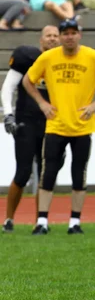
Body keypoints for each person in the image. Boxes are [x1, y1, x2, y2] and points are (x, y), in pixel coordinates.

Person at [22, 18, 95, 235]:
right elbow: (27, 80)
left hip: (82, 126)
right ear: (59, 36)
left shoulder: (92, 56)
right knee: (48, 173)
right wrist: (42, 103)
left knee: (79, 173)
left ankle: (74, 222)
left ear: (80, 34)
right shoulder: (48, 57)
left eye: (73, 32)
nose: (69, 37)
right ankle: (42, 221)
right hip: (56, 125)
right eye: (65, 33)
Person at [1, 26, 60, 233]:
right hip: (27, 121)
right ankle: (9, 218)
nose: (52, 39)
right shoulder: (27, 56)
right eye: (48, 36)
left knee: (47, 174)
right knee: (23, 172)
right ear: (41, 39)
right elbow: (8, 87)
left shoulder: (64, 62)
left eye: (55, 36)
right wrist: (8, 114)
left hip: (52, 123)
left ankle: (40, 220)